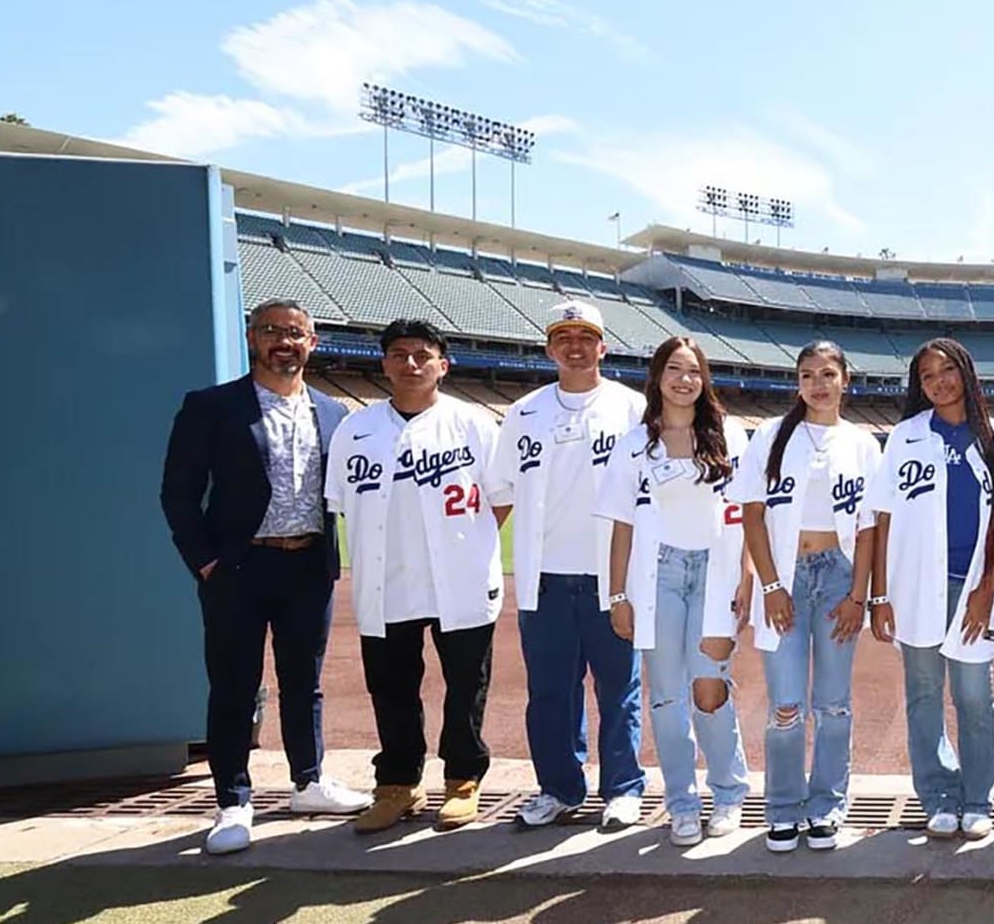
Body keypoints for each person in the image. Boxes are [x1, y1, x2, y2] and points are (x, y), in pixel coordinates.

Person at [161, 299, 369, 855]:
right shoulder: (211, 406)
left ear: (312, 343)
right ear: (253, 338)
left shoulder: (332, 412)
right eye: (273, 331)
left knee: (306, 682)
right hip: (237, 565)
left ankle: (308, 781)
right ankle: (233, 800)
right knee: (233, 685)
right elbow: (178, 493)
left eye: (296, 333)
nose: (284, 341)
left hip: (307, 564)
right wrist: (204, 561)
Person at [326, 318, 507, 834]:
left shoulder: (473, 424)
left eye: (422, 355)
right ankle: (399, 784)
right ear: (383, 364)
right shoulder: (354, 430)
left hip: (461, 578)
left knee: (465, 685)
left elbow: (501, 498)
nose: (410, 364)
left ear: (442, 366)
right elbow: (338, 504)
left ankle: (462, 780)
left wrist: (464, 545)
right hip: (388, 581)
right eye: (399, 354)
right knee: (391, 687)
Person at [489, 302, 649, 831]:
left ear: (603, 347)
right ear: (549, 347)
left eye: (586, 337)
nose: (575, 346)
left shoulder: (632, 409)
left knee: (618, 689)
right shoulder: (524, 412)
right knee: (551, 692)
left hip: (613, 578)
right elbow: (500, 492)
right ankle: (558, 787)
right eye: (564, 337)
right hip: (545, 578)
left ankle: (623, 788)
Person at [866, 338, 994, 841]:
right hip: (916, 587)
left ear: (966, 372)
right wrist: (879, 593)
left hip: (973, 586)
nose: (939, 382)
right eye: (928, 375)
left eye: (947, 370)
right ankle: (937, 794)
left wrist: (985, 590)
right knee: (923, 694)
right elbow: (883, 517)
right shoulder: (906, 436)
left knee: (974, 695)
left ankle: (977, 796)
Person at [599, 336, 754, 847]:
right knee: (665, 696)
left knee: (709, 688)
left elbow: (750, 511)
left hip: (717, 571)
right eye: (674, 369)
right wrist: (618, 596)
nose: (684, 380)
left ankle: (729, 792)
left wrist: (748, 577)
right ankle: (682, 804)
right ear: (658, 376)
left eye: (693, 371)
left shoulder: (730, 434)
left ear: (704, 379)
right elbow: (621, 523)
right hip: (657, 573)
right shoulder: (634, 442)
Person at [734, 341, 881, 853]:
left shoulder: (863, 443)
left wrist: (857, 596)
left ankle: (827, 807)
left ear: (846, 379)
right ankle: (782, 808)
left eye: (827, 373)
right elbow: (751, 515)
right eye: (806, 375)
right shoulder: (772, 435)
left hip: (839, 577)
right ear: (797, 383)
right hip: (785, 576)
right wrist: (771, 585)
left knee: (834, 705)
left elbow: (867, 529)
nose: (817, 383)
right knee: (787, 704)